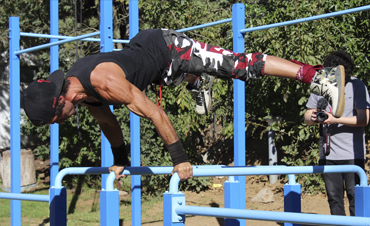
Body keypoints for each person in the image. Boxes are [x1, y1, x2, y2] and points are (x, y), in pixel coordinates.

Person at [22, 28, 346, 181]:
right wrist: (120, 159)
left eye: (55, 119)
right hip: (157, 70)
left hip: (169, 49)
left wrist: (180, 158)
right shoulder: (86, 96)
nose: (59, 124)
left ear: (60, 100)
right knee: (180, 78)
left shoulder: (103, 82)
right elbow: (109, 125)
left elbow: (153, 112)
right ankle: (196, 83)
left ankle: (318, 76)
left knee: (238, 67)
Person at [304, 51, 369, 226]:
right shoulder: (322, 83)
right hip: (328, 153)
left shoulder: (357, 85)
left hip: (353, 153)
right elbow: (306, 115)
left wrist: (335, 119)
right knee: (334, 199)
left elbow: (364, 119)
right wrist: (314, 117)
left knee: (356, 198)